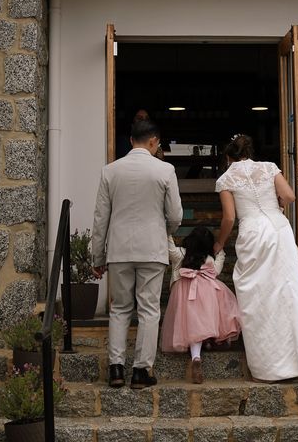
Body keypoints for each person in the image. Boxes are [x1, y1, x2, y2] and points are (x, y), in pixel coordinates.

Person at [213, 134, 298, 382]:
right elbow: (290, 196)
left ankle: (267, 367)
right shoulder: (269, 167)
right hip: (279, 229)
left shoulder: (226, 178)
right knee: (288, 291)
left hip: (252, 233)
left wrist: (219, 242)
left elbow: (228, 218)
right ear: (249, 152)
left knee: (256, 296)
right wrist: (276, 206)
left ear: (228, 157)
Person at [91, 118, 183, 389]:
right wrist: (166, 228)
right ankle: (141, 371)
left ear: (131, 141)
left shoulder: (110, 171)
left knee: (119, 308)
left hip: (119, 249)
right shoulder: (165, 170)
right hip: (152, 248)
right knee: (149, 309)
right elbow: (176, 214)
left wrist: (97, 256)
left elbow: (100, 218)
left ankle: (116, 368)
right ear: (154, 141)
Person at [160, 227, 241, 384]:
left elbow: (169, 247)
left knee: (191, 323)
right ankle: (208, 341)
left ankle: (196, 357)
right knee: (208, 316)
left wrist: (168, 229)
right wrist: (220, 246)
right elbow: (218, 265)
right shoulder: (210, 260)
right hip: (207, 295)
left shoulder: (180, 254)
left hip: (184, 296)